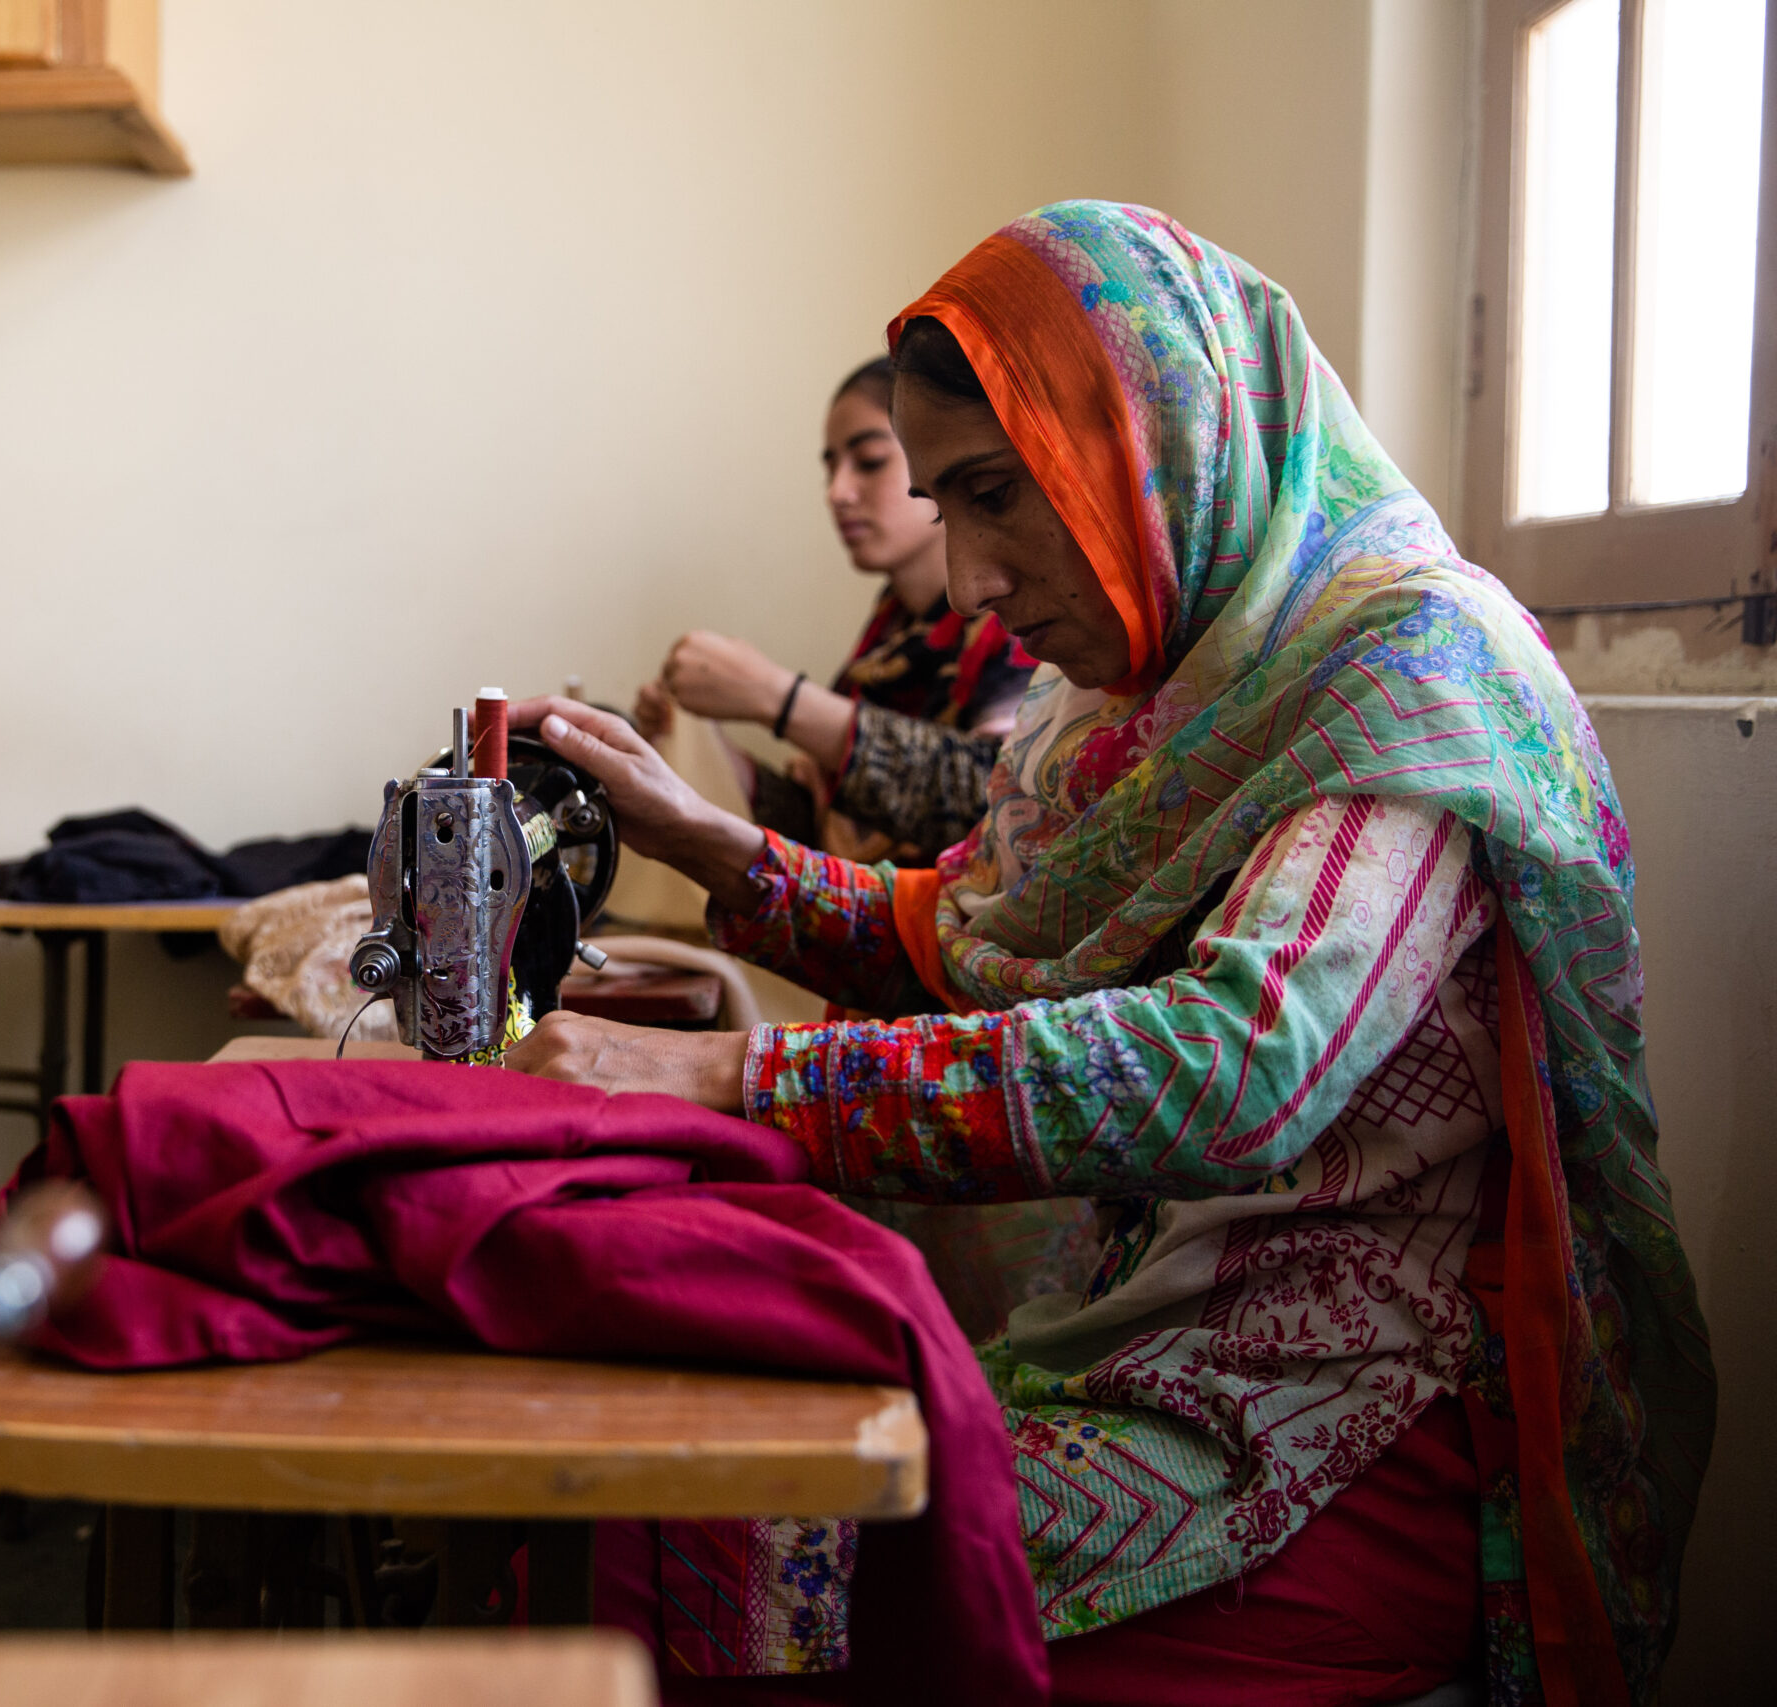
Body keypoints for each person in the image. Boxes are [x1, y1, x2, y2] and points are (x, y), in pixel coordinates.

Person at [508, 201, 1712, 1705]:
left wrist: (724, 1071)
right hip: (1145, 1359)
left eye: (998, 494)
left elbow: (1238, 1067)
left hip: (1331, 1441)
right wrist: (700, 832)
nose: (973, 581)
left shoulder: (1408, 676)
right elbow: (966, 937)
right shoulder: (1138, 709)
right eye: (950, 508)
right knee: (637, 1466)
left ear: (1154, 445)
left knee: (671, 1548)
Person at [635, 359, 1032, 865]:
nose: (837, 492)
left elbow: (996, 800)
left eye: (868, 461)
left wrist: (777, 698)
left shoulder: (1015, 618)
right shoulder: (892, 633)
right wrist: (700, 754)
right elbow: (825, 837)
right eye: (830, 465)